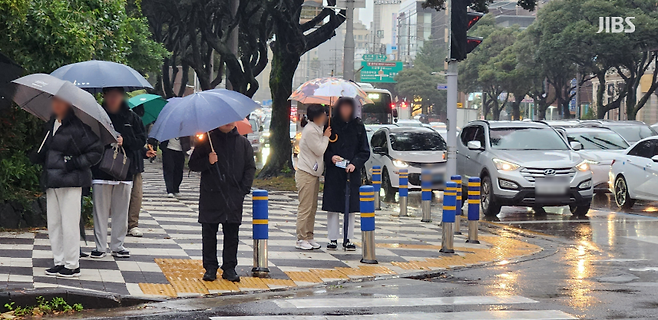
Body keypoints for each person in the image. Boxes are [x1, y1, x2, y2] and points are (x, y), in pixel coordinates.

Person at [30, 97, 102, 277]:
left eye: (60, 102)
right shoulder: (51, 125)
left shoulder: (78, 127)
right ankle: (59, 260)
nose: (56, 105)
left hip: (71, 181)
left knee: (69, 223)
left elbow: (96, 150)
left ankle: (72, 264)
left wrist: (74, 163)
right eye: (54, 101)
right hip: (52, 180)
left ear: (69, 105)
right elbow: (49, 151)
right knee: (54, 223)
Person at [188, 122, 256, 282]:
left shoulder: (243, 143)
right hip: (211, 194)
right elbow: (193, 164)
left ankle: (229, 267)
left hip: (234, 195)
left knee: (232, 233)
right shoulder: (207, 141)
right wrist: (208, 161)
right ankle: (210, 267)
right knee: (209, 232)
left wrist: (243, 190)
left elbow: (250, 167)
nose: (228, 122)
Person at [90, 87, 147, 259]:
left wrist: (125, 141)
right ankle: (100, 247)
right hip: (101, 169)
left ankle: (118, 245)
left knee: (121, 210)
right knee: (100, 210)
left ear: (122, 96)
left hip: (124, 170)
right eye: (110, 95)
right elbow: (90, 139)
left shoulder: (132, 117)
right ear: (105, 96)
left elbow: (140, 140)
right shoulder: (97, 116)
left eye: (117, 95)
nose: (114, 99)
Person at [322, 98, 370, 250]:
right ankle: (332, 238)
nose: (345, 111)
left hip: (352, 172)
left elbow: (364, 151)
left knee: (351, 207)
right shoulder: (330, 124)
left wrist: (354, 163)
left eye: (348, 108)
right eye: (343, 108)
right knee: (333, 206)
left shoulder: (358, 126)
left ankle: (348, 238)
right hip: (334, 171)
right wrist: (331, 157)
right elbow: (322, 147)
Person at [295, 105, 331, 250]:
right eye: (323, 114)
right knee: (305, 207)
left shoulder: (316, 128)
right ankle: (301, 238)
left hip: (313, 173)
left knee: (312, 207)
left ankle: (309, 236)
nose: (325, 117)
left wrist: (324, 134)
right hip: (306, 173)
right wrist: (326, 137)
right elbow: (319, 149)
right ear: (316, 116)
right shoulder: (310, 130)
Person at [127, 142, 157, 238]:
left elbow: (137, 142)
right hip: (120, 164)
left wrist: (145, 152)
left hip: (136, 167)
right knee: (121, 197)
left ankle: (133, 224)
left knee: (137, 196)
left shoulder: (136, 128)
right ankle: (120, 224)